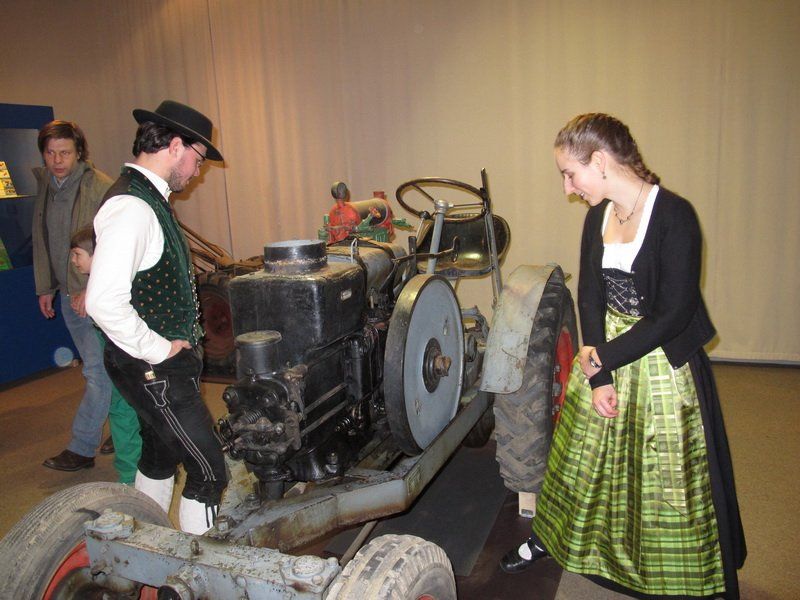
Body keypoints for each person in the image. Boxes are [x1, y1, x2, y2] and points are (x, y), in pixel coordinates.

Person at [500, 113, 746, 599]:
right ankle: (551, 537)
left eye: (570, 174)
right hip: (604, 352)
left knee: (662, 471)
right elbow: (590, 295)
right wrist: (598, 376)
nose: (568, 188)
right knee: (578, 458)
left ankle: (672, 572)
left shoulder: (675, 216)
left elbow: (674, 313)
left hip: (660, 359)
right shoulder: (598, 215)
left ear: (600, 160)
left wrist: (603, 359)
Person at [86, 100, 226, 534]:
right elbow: (102, 302)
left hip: (153, 365)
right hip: (154, 367)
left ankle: (146, 544)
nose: (198, 171)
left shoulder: (147, 198)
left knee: (161, 451)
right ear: (176, 146)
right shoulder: (132, 207)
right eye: (198, 158)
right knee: (208, 471)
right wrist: (160, 349)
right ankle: (197, 565)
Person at [33, 120, 115, 471]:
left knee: (96, 371)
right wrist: (45, 287)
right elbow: (42, 239)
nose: (57, 160)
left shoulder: (100, 186)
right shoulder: (46, 186)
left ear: (79, 152)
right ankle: (129, 426)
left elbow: (115, 244)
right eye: (50, 153)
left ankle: (82, 448)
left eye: (65, 152)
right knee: (110, 366)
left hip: (95, 294)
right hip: (68, 293)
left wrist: (89, 287)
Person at [70, 226, 142, 485]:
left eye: (77, 254)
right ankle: (133, 471)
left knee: (126, 411)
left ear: (97, 255)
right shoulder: (100, 286)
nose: (73, 261)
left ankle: (132, 475)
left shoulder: (107, 290)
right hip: (116, 360)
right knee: (123, 411)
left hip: (125, 361)